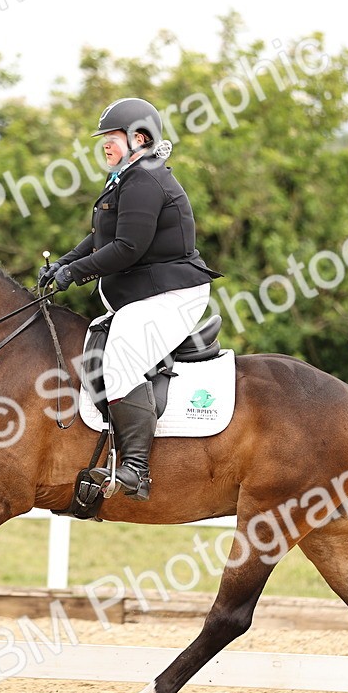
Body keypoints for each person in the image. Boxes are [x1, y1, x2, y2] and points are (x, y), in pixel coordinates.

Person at [40, 97, 221, 501]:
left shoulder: (146, 180)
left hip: (175, 293)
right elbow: (101, 238)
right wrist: (64, 264)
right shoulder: (128, 178)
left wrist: (76, 272)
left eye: (111, 137)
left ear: (138, 138)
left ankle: (137, 468)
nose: (104, 144)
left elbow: (128, 248)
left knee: (119, 355)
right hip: (151, 292)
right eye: (103, 137)